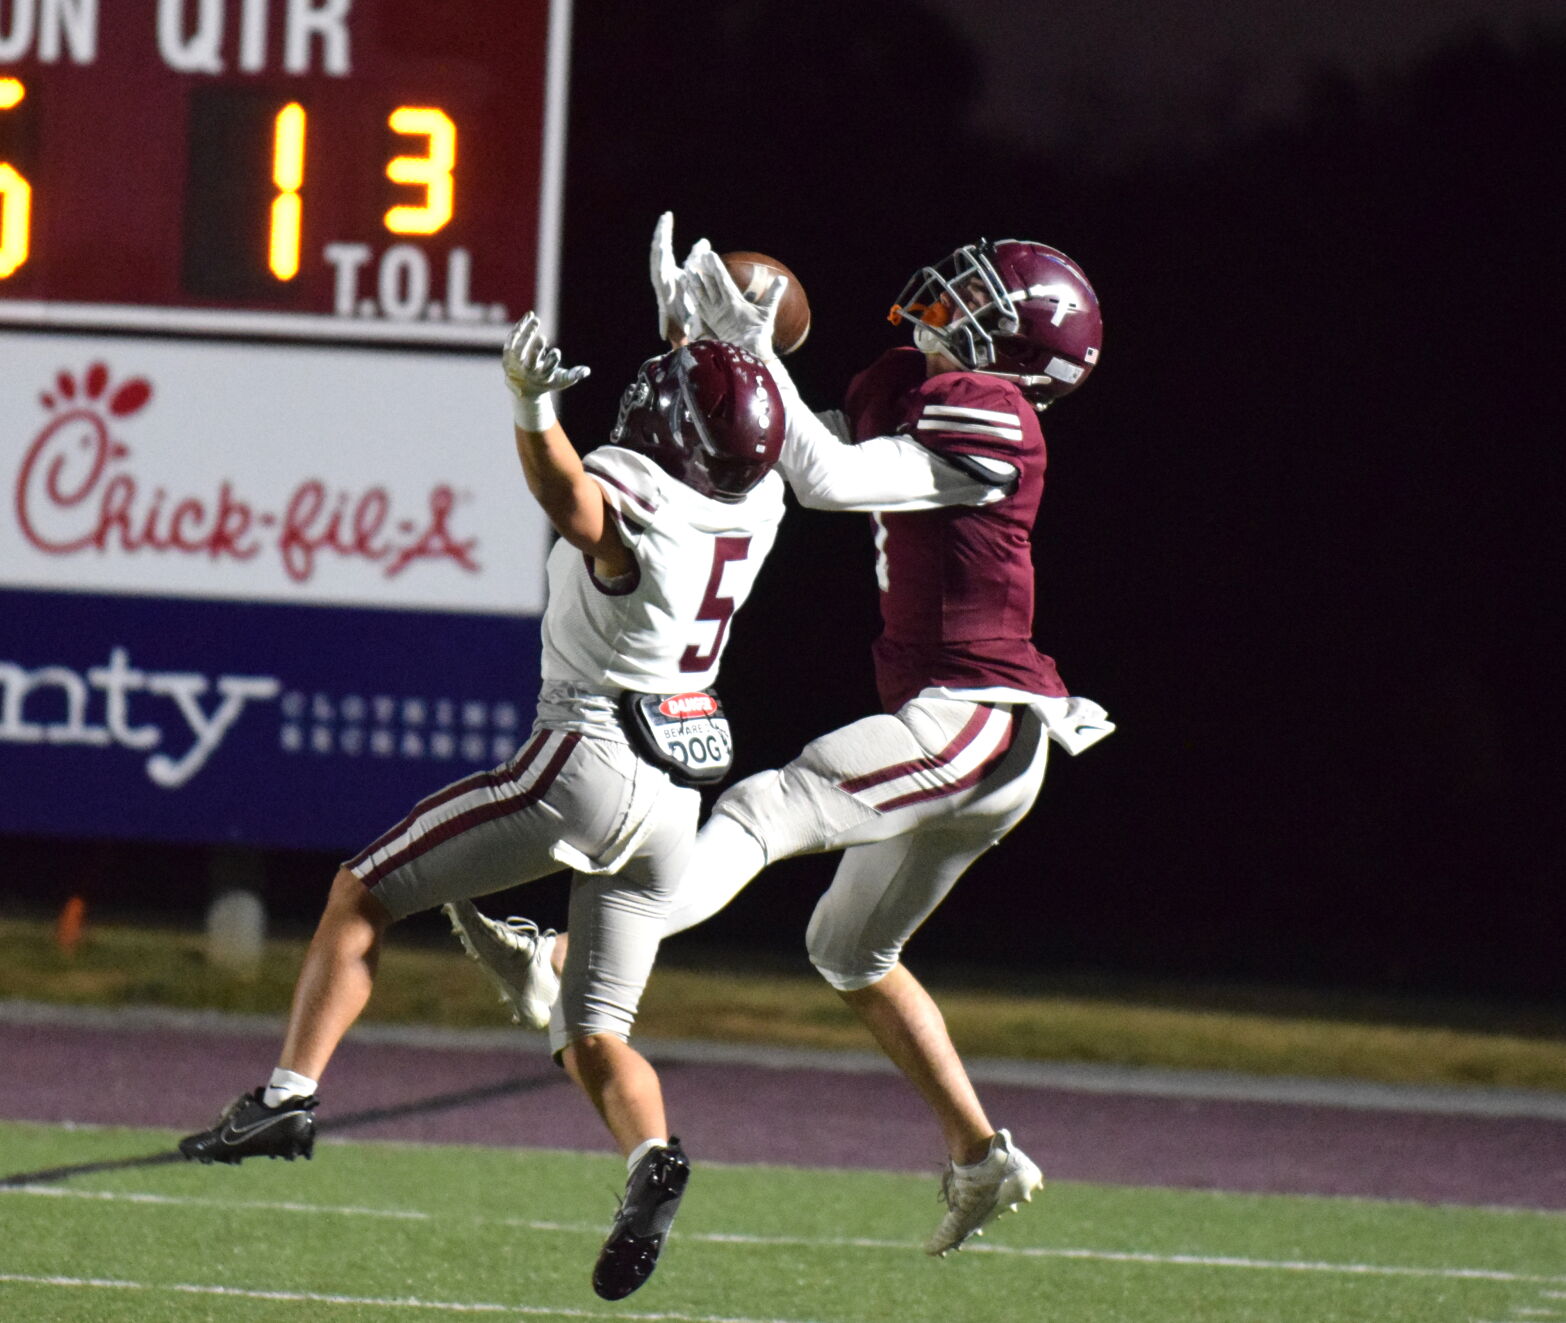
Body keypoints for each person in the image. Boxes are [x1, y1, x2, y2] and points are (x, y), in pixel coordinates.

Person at [451, 221, 1114, 1258]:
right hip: (965, 726)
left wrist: (747, 345)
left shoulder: (998, 414)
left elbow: (827, 482)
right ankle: (983, 1156)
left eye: (978, 300)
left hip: (980, 715)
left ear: (1016, 348)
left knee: (771, 804)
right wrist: (692, 348)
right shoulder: (912, 382)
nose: (947, 298)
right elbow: (757, 444)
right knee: (847, 949)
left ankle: (568, 959)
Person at [178, 310, 794, 1301]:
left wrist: (530, 404)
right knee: (595, 1031)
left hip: (587, 762)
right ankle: (651, 1159)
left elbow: (571, 498)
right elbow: (742, 428)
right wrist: (740, 342)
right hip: (676, 797)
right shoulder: (759, 505)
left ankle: (285, 1097)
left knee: (361, 892)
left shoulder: (641, 501)